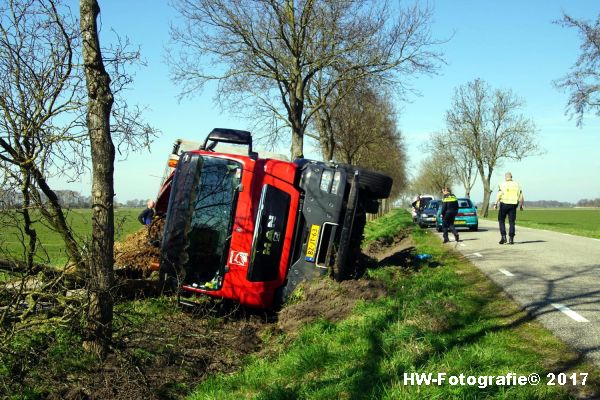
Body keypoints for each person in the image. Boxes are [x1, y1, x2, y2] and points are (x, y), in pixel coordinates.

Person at [493, 172, 524, 245]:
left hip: (504, 204)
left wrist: (495, 203)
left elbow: (499, 194)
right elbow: (521, 195)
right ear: (511, 177)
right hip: (513, 205)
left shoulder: (502, 184)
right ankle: (511, 238)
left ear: (505, 177)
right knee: (512, 222)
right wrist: (521, 205)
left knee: (501, 220)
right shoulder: (517, 184)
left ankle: (503, 237)